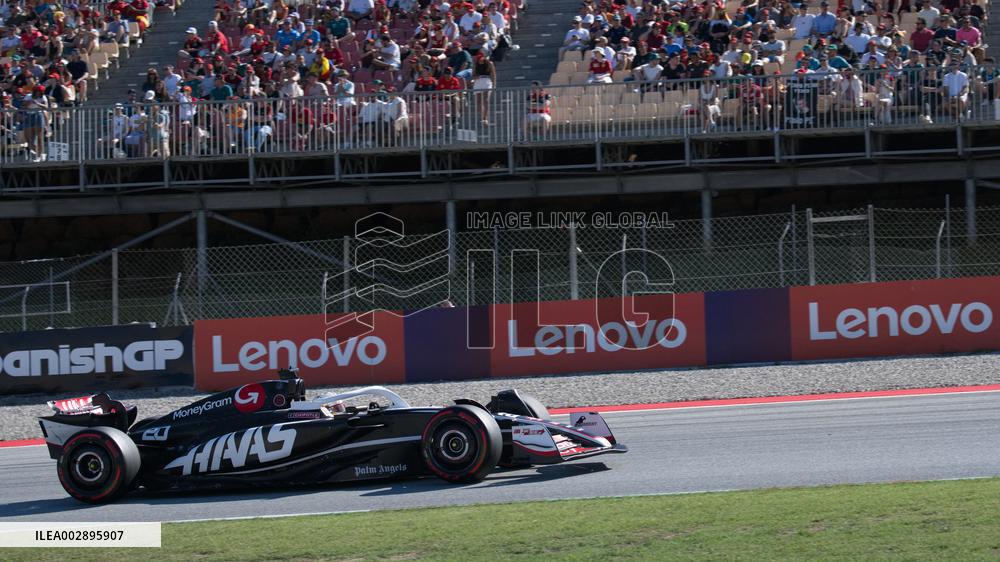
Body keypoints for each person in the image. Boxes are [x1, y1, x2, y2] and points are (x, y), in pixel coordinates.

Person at [471, 52, 495, 125]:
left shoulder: (489, 63)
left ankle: (485, 118)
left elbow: (493, 74)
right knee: (478, 102)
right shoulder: (475, 65)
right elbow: (473, 75)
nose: (480, 60)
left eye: (481, 58)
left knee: (486, 99)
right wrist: (475, 77)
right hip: (478, 81)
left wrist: (494, 84)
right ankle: (482, 116)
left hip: (487, 80)